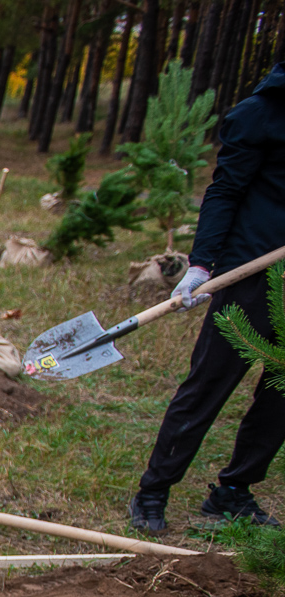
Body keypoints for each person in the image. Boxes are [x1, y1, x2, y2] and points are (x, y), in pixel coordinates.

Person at [129, 61, 285, 535]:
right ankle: (154, 490)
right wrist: (200, 264)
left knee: (281, 395)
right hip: (251, 273)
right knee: (209, 384)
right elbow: (225, 191)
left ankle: (233, 491)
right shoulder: (260, 114)